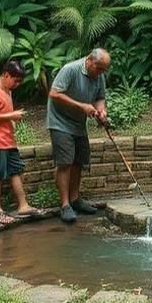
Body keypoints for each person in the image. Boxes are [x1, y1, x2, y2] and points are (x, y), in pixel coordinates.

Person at [46, 48, 110, 223]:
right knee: (65, 162)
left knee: (80, 160)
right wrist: (81, 106)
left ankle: (75, 199)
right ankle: (65, 205)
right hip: (60, 122)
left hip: (78, 125)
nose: (101, 73)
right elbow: (54, 93)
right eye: (100, 68)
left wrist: (101, 111)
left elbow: (99, 97)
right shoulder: (70, 69)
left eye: (104, 70)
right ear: (89, 61)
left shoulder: (99, 75)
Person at [0, 61, 42, 224]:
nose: (17, 84)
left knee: (16, 170)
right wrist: (11, 116)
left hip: (8, 140)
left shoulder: (7, 90)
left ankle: (23, 206)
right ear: (6, 74)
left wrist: (11, 120)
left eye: (19, 81)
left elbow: (4, 113)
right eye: (15, 80)